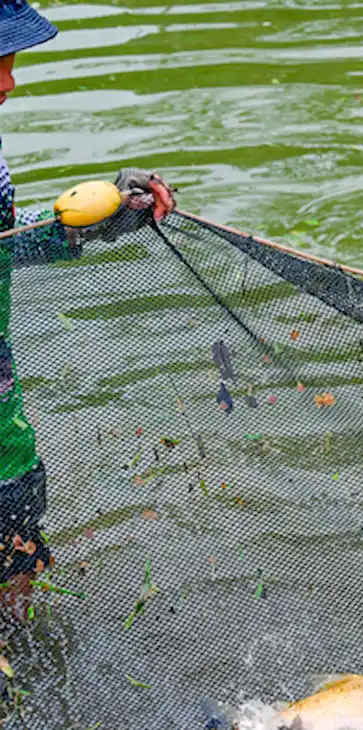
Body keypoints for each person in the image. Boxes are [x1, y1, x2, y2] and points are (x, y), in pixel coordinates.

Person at [0, 0, 175, 620]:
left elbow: (5, 243)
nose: (7, 81)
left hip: (2, 435)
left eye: (8, 57)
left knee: (15, 543)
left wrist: (100, 220)